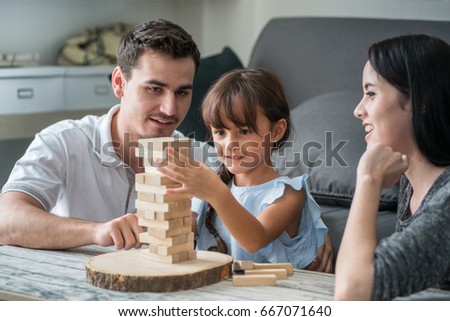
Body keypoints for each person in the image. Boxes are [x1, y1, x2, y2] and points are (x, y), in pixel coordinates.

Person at [0, 19, 201, 250]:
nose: (170, 109)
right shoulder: (62, 142)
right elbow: (6, 220)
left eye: (182, 92)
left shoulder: (203, 158)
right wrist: (97, 231)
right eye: (154, 89)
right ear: (119, 83)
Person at [158, 68, 334, 272]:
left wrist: (216, 192)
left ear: (276, 131)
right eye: (220, 132)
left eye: (244, 131)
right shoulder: (212, 187)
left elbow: (254, 239)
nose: (230, 143)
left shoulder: (289, 194)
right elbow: (180, 240)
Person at [335, 34, 450, 300]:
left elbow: (352, 294)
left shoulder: (446, 202)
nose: (358, 110)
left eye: (371, 94)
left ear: (420, 100)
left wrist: (369, 179)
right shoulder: (411, 185)